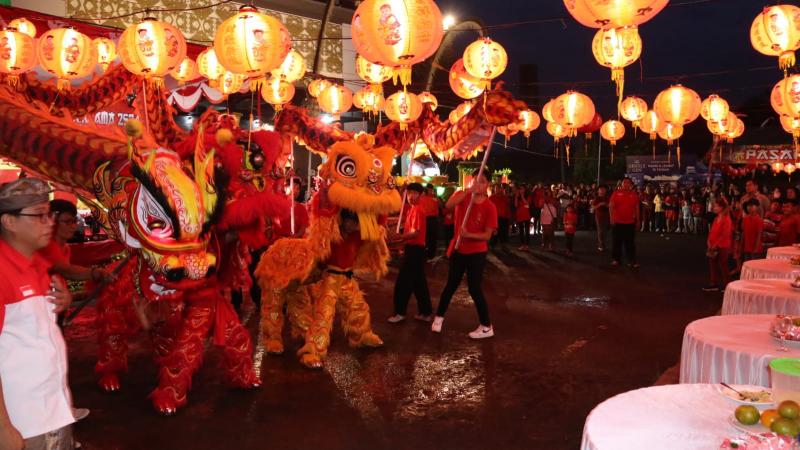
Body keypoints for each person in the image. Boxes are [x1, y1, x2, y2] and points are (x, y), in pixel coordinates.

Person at [0, 179, 75, 450]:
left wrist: (61, 303)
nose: (49, 223)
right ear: (9, 221)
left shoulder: (37, 264)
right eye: (39, 215)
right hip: (22, 422)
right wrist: (3, 427)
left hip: (52, 410)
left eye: (50, 214)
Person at [432, 171, 497, 339]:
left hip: (477, 253)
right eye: (476, 181)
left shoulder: (490, 207)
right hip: (458, 250)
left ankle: (486, 326)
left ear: (488, 184)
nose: (479, 184)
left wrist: (469, 235)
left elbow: (487, 235)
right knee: (451, 285)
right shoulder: (463, 195)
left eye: (482, 182)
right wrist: (468, 191)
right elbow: (448, 206)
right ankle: (439, 317)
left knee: (475, 288)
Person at [39, 199, 115, 289]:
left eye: (74, 221)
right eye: (67, 222)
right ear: (52, 222)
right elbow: (67, 271)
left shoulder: (65, 247)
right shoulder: (47, 246)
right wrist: (97, 273)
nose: (74, 226)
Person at [388, 183, 432, 324]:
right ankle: (426, 312)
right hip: (414, 250)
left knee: (403, 283)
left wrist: (400, 237)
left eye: (413, 193)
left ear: (421, 195)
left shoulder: (418, 210)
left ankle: (400, 313)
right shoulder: (412, 209)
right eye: (408, 193)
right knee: (419, 283)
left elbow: (416, 232)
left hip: (415, 250)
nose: (410, 196)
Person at [609, 177, 640, 267]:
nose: (626, 184)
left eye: (628, 183)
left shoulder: (634, 195)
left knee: (630, 243)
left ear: (631, 185)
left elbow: (637, 208)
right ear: (621, 184)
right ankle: (616, 260)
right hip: (617, 222)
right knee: (616, 242)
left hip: (630, 223)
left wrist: (638, 220)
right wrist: (611, 219)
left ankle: (631, 260)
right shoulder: (616, 193)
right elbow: (611, 206)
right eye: (624, 182)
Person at [704, 197, 732, 292]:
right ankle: (713, 283)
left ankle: (727, 285)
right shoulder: (716, 218)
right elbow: (712, 231)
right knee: (713, 264)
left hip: (723, 246)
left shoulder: (726, 219)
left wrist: (715, 244)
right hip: (713, 245)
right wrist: (709, 242)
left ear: (721, 207)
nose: (714, 208)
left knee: (723, 265)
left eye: (716, 206)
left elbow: (725, 234)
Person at [420, 185, 440, 259]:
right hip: (432, 220)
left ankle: (424, 255)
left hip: (425, 220)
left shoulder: (421, 199)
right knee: (432, 239)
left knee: (425, 238)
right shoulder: (435, 199)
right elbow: (437, 212)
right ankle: (431, 255)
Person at [489, 184, 511, 248]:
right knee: (494, 232)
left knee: (503, 231)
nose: (497, 190)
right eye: (496, 188)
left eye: (499, 188)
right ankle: (493, 243)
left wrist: (508, 217)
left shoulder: (505, 197)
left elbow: (507, 207)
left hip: (504, 217)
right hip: (495, 217)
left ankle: (503, 243)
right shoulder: (491, 197)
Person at [592, 185, 610, 251]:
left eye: (603, 189)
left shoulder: (607, 198)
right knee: (600, 230)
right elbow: (593, 207)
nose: (602, 191)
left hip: (606, 215)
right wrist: (600, 204)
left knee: (605, 230)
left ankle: (603, 244)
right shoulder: (597, 198)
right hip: (599, 216)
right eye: (601, 189)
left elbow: (610, 206)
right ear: (598, 191)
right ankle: (601, 245)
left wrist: (606, 205)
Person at [513, 184, 531, 250]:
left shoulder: (528, 196)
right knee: (521, 231)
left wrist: (522, 196)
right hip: (520, 216)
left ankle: (527, 245)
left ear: (525, 190)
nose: (521, 190)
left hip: (526, 216)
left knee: (526, 231)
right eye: (520, 189)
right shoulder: (518, 196)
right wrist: (516, 197)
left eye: (522, 189)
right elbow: (515, 205)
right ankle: (522, 245)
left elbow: (527, 203)